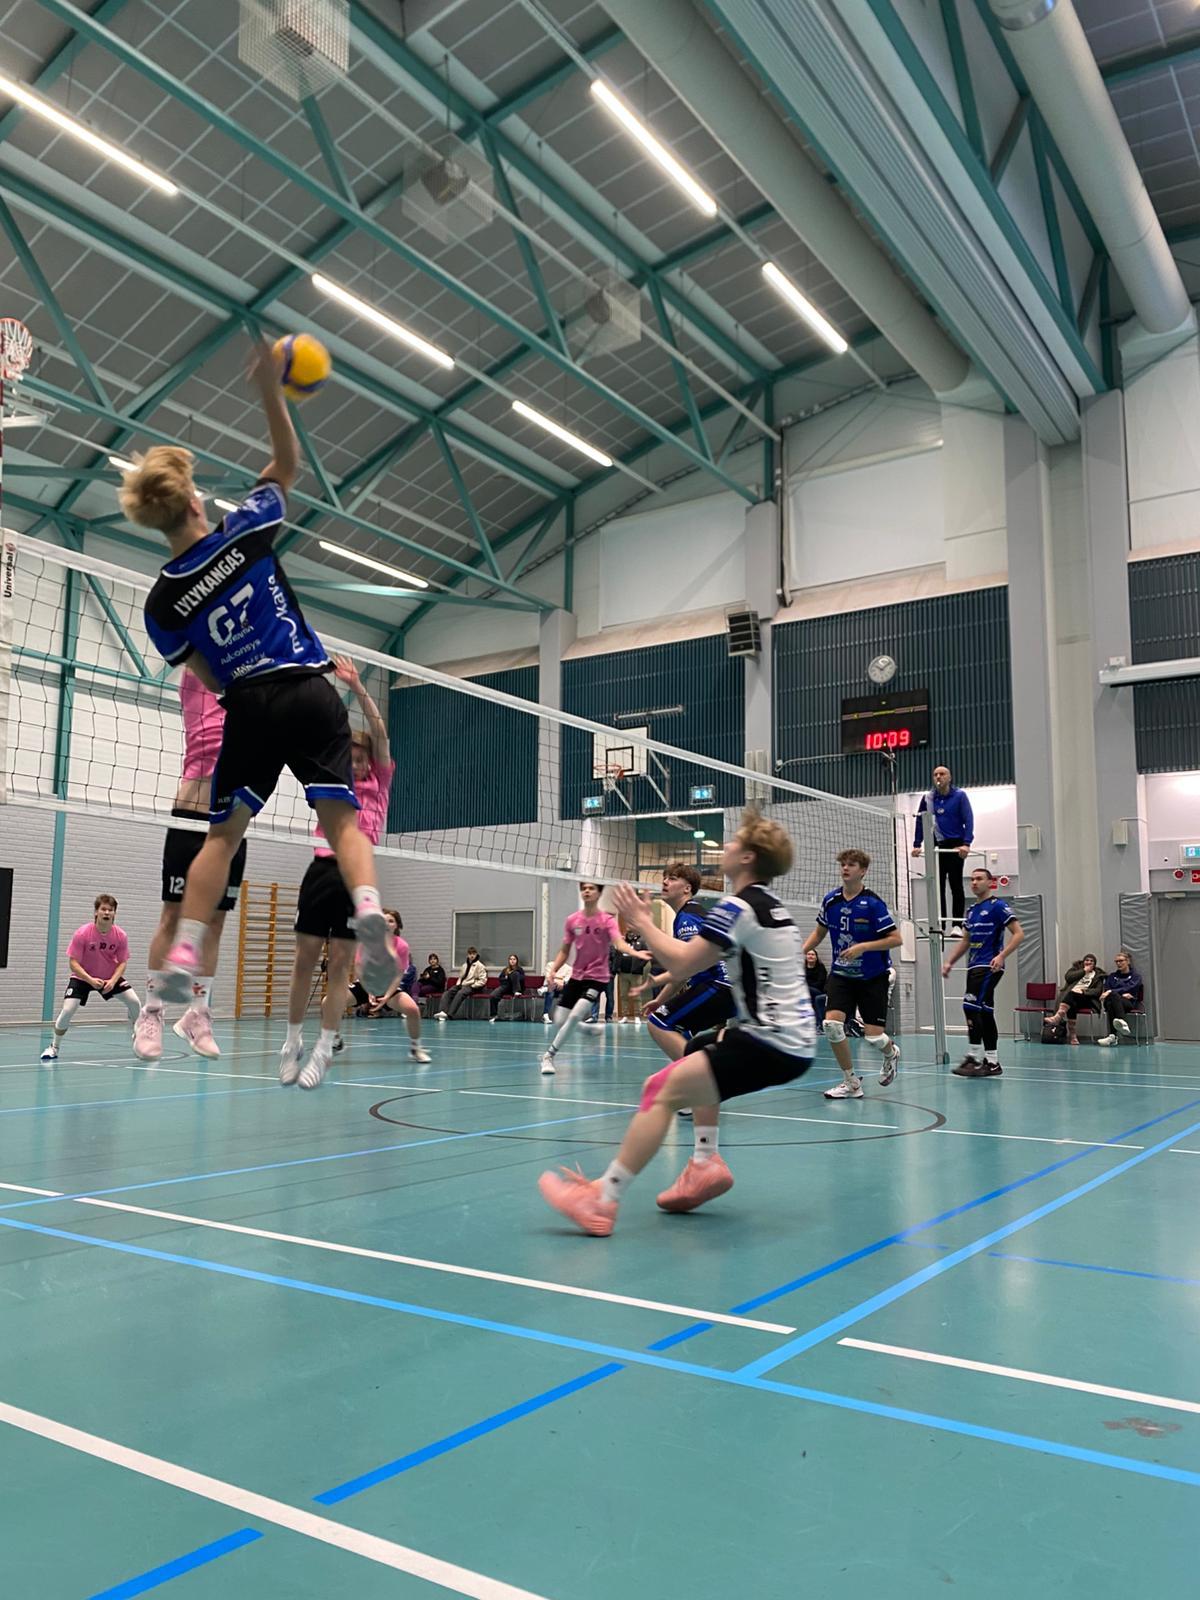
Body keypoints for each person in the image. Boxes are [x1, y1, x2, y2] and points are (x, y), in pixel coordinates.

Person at [128, 339, 395, 1008]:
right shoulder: (243, 531)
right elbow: (287, 464)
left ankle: (186, 946)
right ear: (195, 504)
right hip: (310, 690)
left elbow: (207, 677)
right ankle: (368, 911)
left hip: (249, 704)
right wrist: (271, 390)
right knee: (343, 824)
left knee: (221, 838)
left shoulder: (162, 605)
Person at [537, 811, 816, 1236]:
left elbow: (685, 963)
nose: (727, 846)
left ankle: (602, 1199)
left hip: (770, 1041)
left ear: (748, 857)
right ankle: (704, 1163)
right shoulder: (773, 907)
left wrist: (642, 921)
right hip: (793, 1040)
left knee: (658, 1090)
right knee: (699, 1049)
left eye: (735, 841)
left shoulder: (737, 906)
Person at [278, 654, 396, 1089]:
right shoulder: (335, 780)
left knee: (341, 967)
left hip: (355, 876)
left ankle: (324, 1049)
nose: (360, 763)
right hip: (322, 869)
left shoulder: (379, 782)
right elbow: (318, 734)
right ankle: (291, 1042)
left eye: (365, 758)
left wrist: (357, 688)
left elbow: (379, 733)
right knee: (304, 961)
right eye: (354, 757)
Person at [132, 667, 249, 1062]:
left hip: (234, 820)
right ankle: (151, 1013)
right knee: (173, 914)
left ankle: (198, 1014)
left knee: (215, 923)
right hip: (192, 813)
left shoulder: (255, 686)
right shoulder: (200, 673)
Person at [803, 849, 902, 1100]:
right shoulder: (831, 900)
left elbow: (896, 939)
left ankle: (891, 1053)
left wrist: (863, 947)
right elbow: (819, 932)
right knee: (832, 1026)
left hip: (872, 976)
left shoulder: (873, 904)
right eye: (843, 864)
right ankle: (851, 1082)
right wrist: (799, 952)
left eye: (851, 865)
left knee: (874, 1037)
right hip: (842, 975)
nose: (845, 868)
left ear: (863, 871)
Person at [540, 884, 649, 1075]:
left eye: (591, 888)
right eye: (584, 888)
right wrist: (553, 970)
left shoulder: (607, 920)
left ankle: (548, 1056)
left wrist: (635, 952)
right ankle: (585, 1029)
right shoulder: (573, 920)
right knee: (559, 1019)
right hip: (577, 975)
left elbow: (619, 943)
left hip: (597, 977)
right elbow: (565, 951)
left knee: (575, 1015)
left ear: (599, 893)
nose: (587, 891)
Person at [643, 861, 735, 1065]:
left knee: (658, 1022)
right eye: (664, 878)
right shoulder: (692, 914)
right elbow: (685, 969)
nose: (665, 882)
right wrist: (660, 1001)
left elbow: (689, 965)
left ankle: (699, 1075)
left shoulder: (688, 918)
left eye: (672, 878)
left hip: (719, 985)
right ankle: (699, 1071)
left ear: (687, 888)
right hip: (731, 989)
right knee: (681, 1031)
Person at [943, 867, 1024, 1076]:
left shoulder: (998, 906)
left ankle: (974, 1057)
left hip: (989, 965)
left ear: (990, 882)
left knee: (969, 1006)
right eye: (972, 879)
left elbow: (1018, 933)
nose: (974, 882)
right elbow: (966, 941)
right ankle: (992, 1062)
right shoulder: (971, 911)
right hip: (974, 965)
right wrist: (950, 961)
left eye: (979, 879)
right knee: (985, 1012)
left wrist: (1002, 956)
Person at [41, 894, 142, 1061]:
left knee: (134, 1001)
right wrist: (90, 980)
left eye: (110, 910)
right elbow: (73, 963)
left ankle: (139, 1038)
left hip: (108, 977)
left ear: (114, 913)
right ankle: (54, 1047)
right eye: (103, 909)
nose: (107, 913)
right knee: (68, 1010)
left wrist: (113, 981)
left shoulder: (120, 936)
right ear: (96, 912)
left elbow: (122, 963)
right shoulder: (82, 933)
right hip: (83, 977)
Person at [354, 910, 431, 1062]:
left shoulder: (402, 946)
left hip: (388, 986)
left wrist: (387, 996)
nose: (386, 924)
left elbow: (398, 975)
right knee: (328, 1002)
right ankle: (335, 1040)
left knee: (413, 1010)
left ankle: (416, 1048)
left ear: (397, 925)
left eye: (391, 921)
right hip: (366, 983)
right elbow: (359, 968)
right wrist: (369, 990)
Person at [911, 765, 974, 928]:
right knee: (937, 885)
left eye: (942, 774)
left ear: (949, 777)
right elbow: (920, 820)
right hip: (935, 844)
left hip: (955, 844)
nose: (938, 777)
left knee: (955, 884)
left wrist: (966, 844)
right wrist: (917, 844)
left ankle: (957, 925)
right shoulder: (928, 798)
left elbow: (968, 819)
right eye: (935, 774)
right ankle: (940, 923)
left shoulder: (959, 796)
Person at [1043, 954, 1103, 1045]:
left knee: (1071, 995)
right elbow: (1068, 977)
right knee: (1072, 1002)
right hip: (1072, 998)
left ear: (1094, 964)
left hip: (1086, 999)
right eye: (1087, 960)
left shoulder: (1098, 975)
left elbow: (1098, 991)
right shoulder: (1075, 970)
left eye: (1092, 961)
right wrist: (1084, 971)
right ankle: (1073, 1037)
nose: (1089, 962)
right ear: (1083, 962)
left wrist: (1083, 991)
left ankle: (1058, 1018)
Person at [1096, 950, 1144, 1046]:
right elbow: (1107, 989)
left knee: (1111, 999)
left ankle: (1113, 1036)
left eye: (1121, 961)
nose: (1118, 963)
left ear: (1128, 961)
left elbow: (1130, 987)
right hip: (1113, 1001)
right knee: (1111, 1001)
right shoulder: (1112, 976)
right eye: (1116, 961)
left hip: (1128, 1003)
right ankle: (1122, 1023)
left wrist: (1111, 992)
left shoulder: (1136, 976)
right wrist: (1116, 993)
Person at [436, 948, 488, 1020]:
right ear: (468, 955)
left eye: (473, 954)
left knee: (460, 993)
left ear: (476, 955)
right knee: (448, 992)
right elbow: (460, 977)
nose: (472, 956)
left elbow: (483, 980)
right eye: (470, 954)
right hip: (462, 985)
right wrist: (458, 984)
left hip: (472, 986)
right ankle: (442, 1012)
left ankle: (450, 1014)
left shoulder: (480, 966)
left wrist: (473, 985)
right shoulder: (464, 965)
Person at [489, 954, 527, 1022]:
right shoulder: (505, 970)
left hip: (516, 987)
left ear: (517, 961)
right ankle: (493, 1015)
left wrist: (512, 976)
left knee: (515, 973)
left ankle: (516, 991)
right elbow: (501, 978)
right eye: (511, 959)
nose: (512, 961)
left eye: (514, 959)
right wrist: (507, 978)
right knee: (493, 995)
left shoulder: (520, 969)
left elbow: (522, 978)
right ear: (509, 961)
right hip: (505, 986)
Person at [805, 947, 829, 1027]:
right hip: (806, 991)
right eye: (809, 954)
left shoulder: (821, 968)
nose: (810, 956)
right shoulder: (802, 968)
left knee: (808, 990)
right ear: (806, 957)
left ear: (816, 957)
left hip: (818, 991)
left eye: (813, 954)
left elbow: (820, 983)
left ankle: (818, 1023)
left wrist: (807, 986)